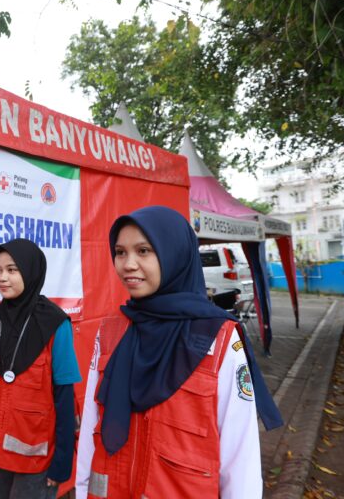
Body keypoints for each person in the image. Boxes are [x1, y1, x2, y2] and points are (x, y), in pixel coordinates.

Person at [75, 206, 282, 499]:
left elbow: (240, 457)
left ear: (174, 253)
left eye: (143, 251)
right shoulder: (111, 330)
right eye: (120, 252)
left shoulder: (219, 338)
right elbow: (89, 430)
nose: (128, 264)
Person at [0, 238, 81, 499]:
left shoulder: (55, 323)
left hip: (36, 459)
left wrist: (63, 462)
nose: (2, 277)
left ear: (30, 270)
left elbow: (65, 396)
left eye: (12, 270)